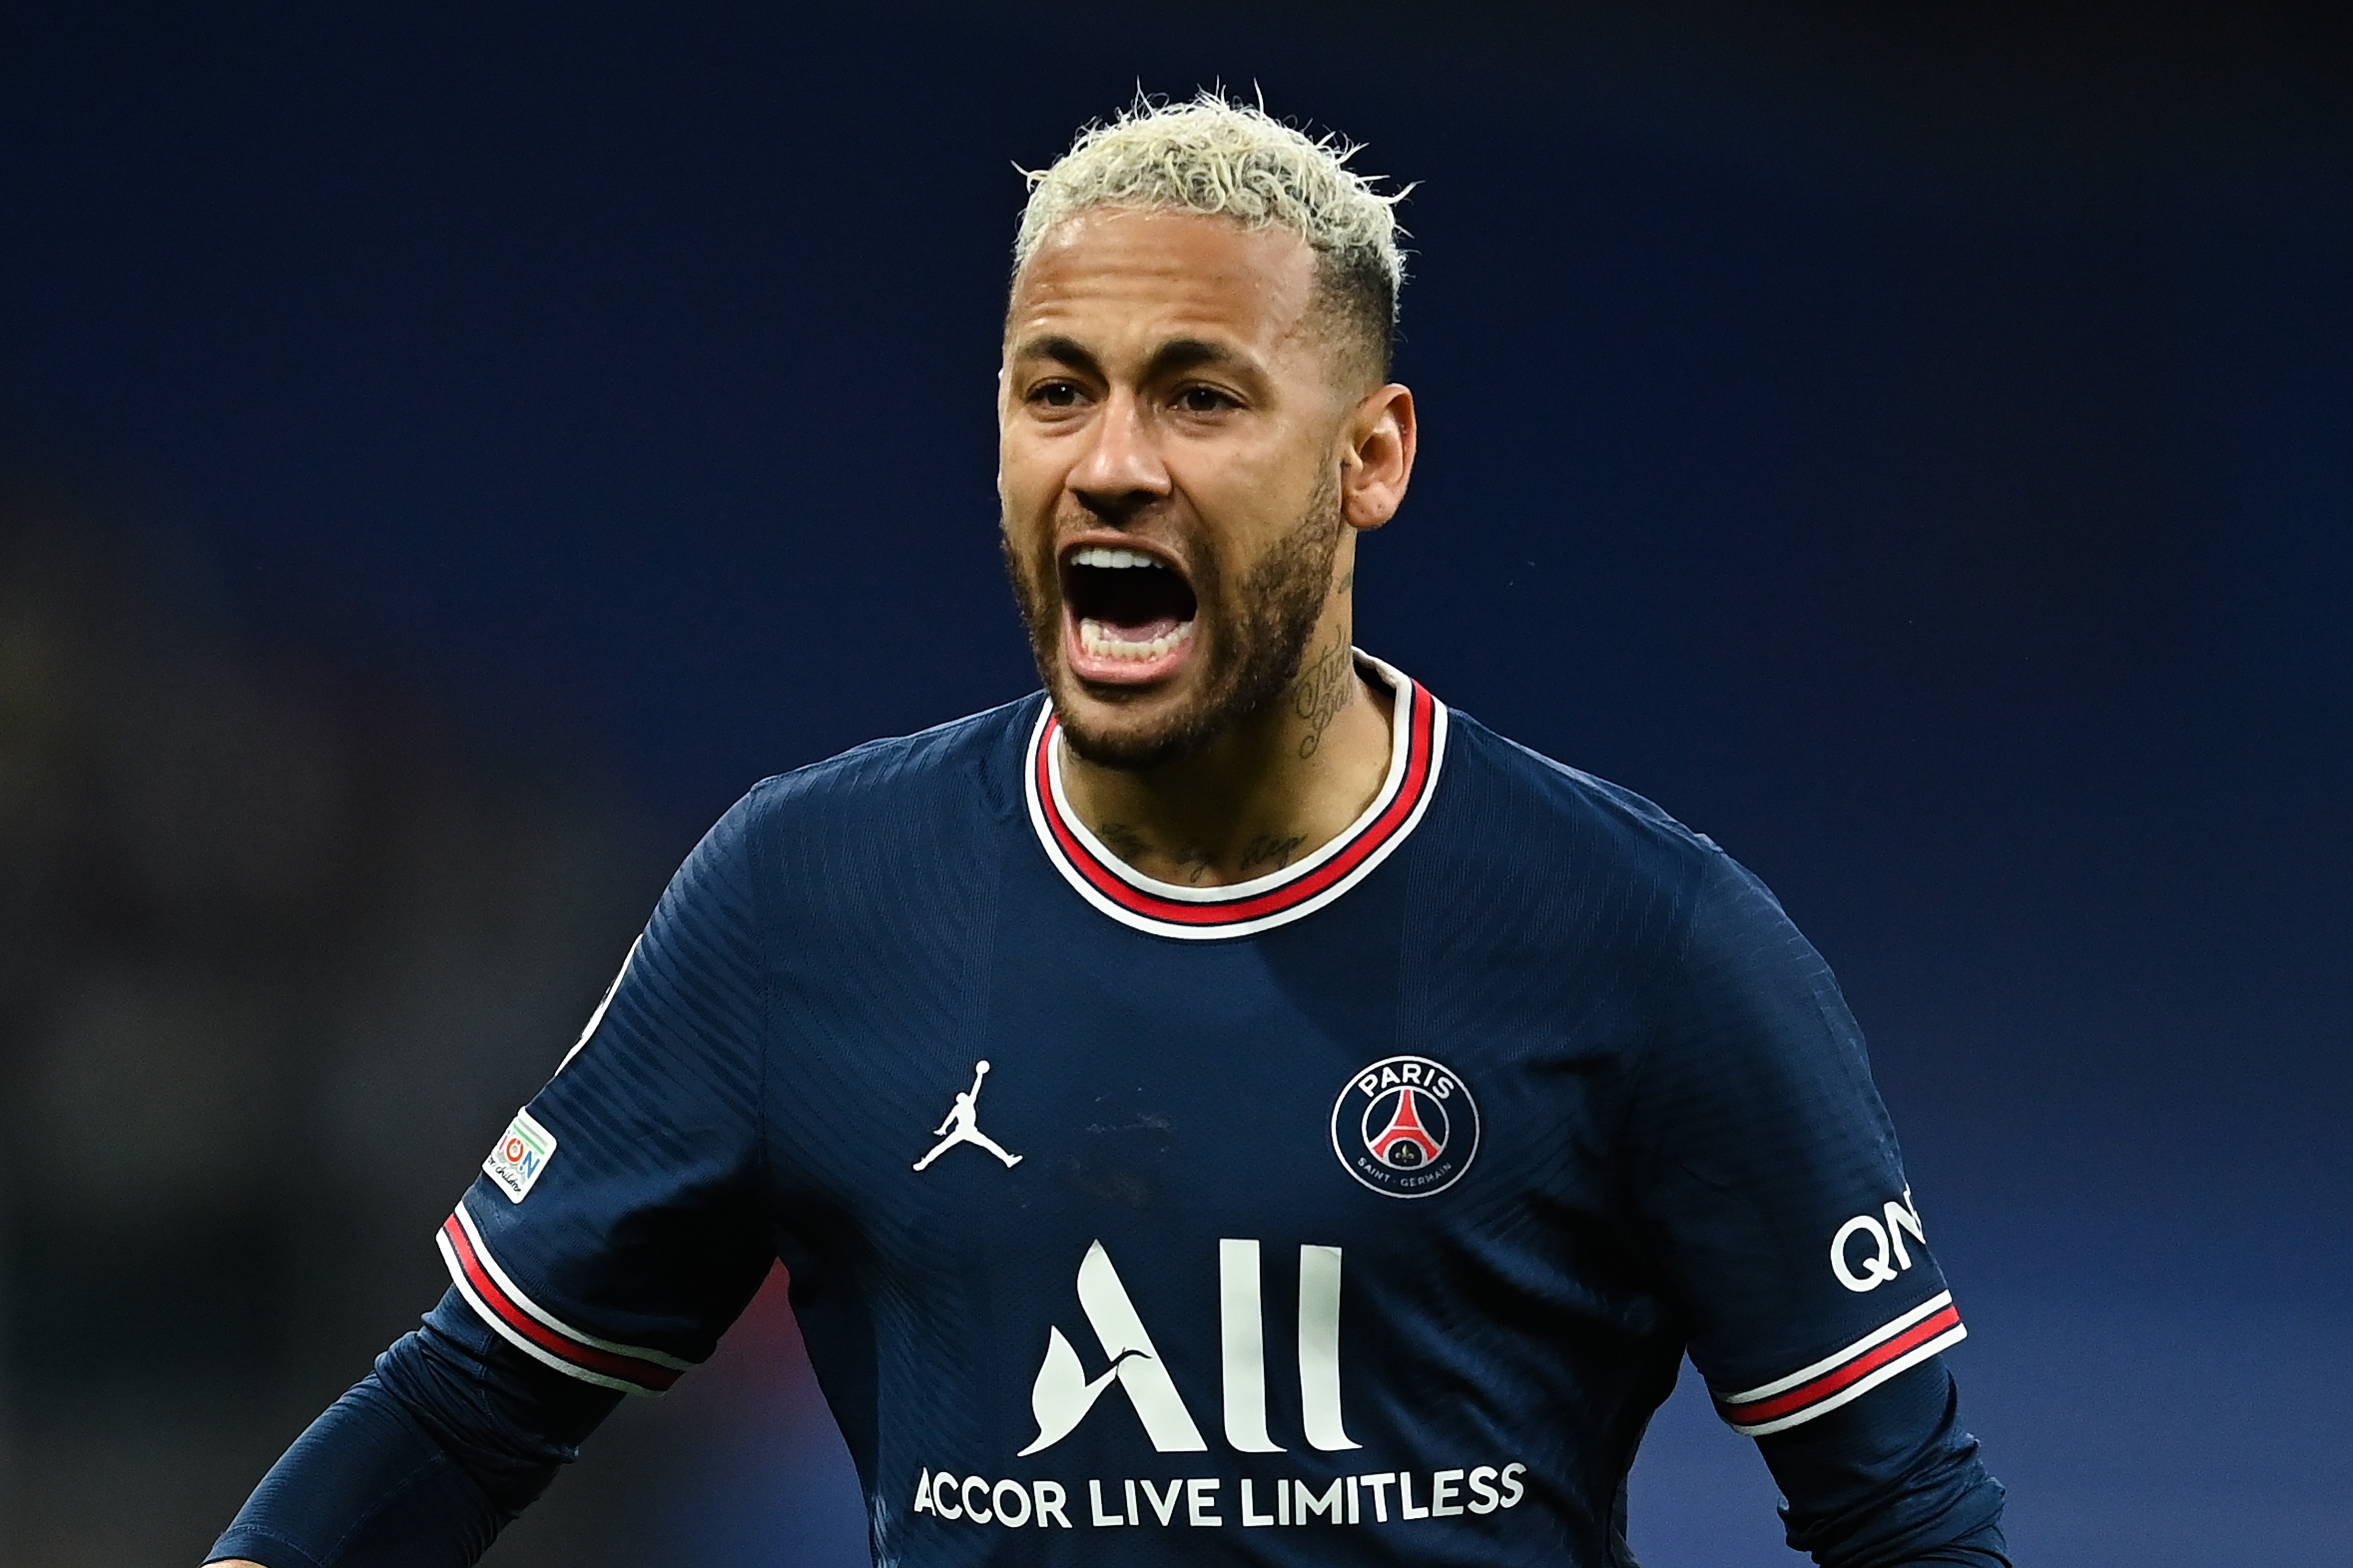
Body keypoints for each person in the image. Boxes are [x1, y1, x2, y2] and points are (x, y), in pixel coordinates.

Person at [208, 93, 2007, 1567]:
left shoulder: (1646, 941)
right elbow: (468, 1407)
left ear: (1368, 457)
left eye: (1201, 396)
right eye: (1054, 388)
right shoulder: (803, 899)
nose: (1111, 460)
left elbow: (1902, 1517)